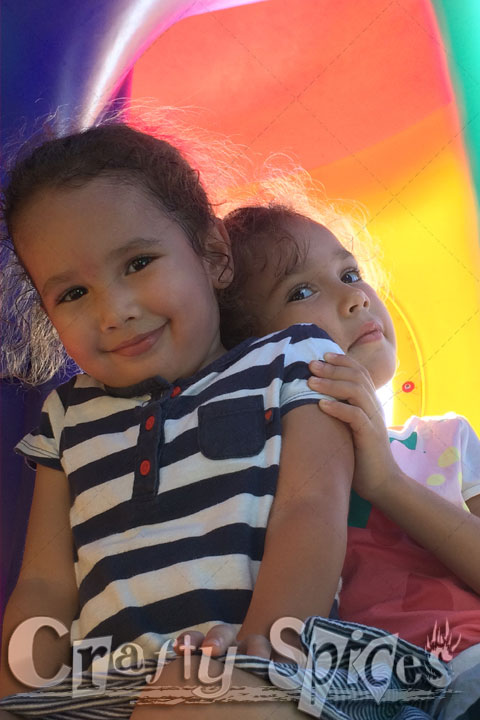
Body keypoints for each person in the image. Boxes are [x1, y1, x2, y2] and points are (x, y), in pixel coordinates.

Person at [0, 124, 354, 719]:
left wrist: (263, 648)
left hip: (270, 675)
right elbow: (44, 584)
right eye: (73, 293)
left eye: (138, 263)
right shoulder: (67, 418)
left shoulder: (292, 361)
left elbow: (310, 509)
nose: (114, 311)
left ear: (213, 255)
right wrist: (14, 696)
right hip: (104, 696)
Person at [191, 202, 480, 719]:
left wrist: (388, 483)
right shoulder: (257, 477)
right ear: (254, 358)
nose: (355, 297)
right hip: (346, 695)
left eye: (350, 273)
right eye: (302, 292)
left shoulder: (443, 440)